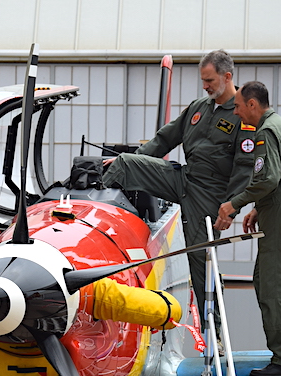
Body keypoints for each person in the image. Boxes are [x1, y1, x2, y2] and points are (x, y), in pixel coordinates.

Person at [103, 50, 254, 348]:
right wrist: (135, 161)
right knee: (124, 162)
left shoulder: (242, 116)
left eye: (209, 81)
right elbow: (164, 140)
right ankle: (103, 227)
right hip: (183, 178)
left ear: (227, 77)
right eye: (203, 81)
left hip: (210, 195)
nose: (205, 86)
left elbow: (245, 169)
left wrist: (231, 208)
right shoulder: (198, 108)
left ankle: (216, 334)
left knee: (200, 261)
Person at [215, 81, 281, 376]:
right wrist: (259, 207)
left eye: (239, 107)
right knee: (270, 279)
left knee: (272, 286)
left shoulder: (265, 132)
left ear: (252, 105)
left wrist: (235, 204)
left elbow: (267, 178)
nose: (237, 113)